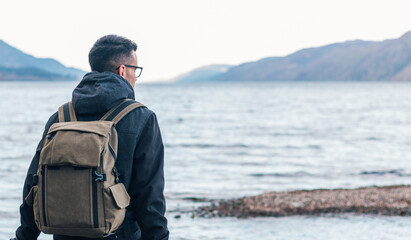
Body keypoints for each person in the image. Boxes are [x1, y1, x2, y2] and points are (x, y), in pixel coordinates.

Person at [12, 35, 169, 240]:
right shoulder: (141, 117)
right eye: (135, 70)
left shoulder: (60, 118)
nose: (135, 77)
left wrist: (25, 236)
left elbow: (34, 184)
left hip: (64, 235)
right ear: (123, 70)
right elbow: (150, 196)